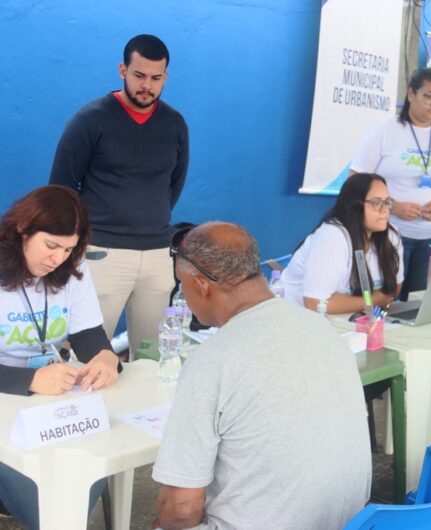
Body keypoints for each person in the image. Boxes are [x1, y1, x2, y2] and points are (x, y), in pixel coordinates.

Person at [151, 222, 371, 530]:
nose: (182, 294)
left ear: (202, 284)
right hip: (348, 522)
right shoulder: (321, 328)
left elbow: (182, 508)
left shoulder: (212, 360)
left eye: (181, 285)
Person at [49, 34, 189, 355]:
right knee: (84, 357)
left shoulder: (175, 124)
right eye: (139, 75)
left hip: (157, 256)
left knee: (152, 356)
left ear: (165, 77)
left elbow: (173, 185)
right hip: (101, 254)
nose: (147, 85)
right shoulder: (90, 120)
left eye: (156, 78)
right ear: (122, 70)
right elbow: (61, 190)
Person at [0, 185, 121, 529]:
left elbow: (87, 334)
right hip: (9, 397)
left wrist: (106, 358)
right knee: (46, 509)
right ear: (23, 230)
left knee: (84, 474)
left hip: (49, 400)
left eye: (68, 249)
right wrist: (29, 379)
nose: (58, 259)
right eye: (51, 246)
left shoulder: (71, 267)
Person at [349, 67, 431, 301]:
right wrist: (391, 206)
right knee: (385, 301)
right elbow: (355, 181)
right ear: (411, 94)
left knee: (420, 304)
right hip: (390, 235)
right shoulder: (384, 131)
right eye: (429, 96)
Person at [282, 173, 403, 314]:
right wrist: (373, 300)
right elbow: (315, 303)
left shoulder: (391, 235)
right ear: (354, 205)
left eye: (387, 202)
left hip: (350, 322)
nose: (384, 210)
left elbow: (394, 288)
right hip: (298, 319)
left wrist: (373, 300)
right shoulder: (332, 237)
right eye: (376, 203)